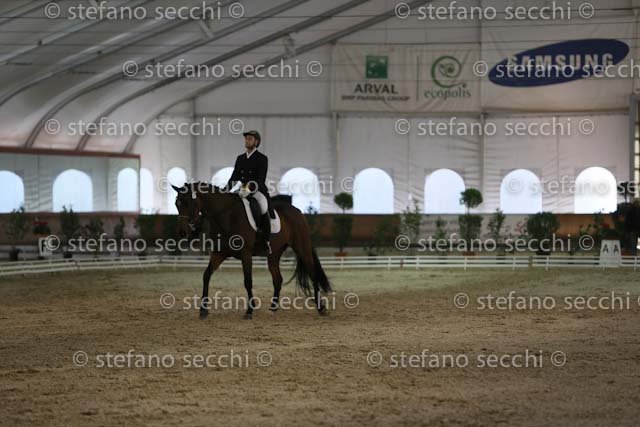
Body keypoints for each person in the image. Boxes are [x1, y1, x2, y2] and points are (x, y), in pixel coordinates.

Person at [224, 130, 274, 253]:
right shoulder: (240, 158)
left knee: (262, 207)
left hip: (258, 190)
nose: (247, 141)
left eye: (250, 139)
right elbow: (234, 177)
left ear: (256, 142)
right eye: (246, 139)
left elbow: (260, 179)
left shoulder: (262, 158)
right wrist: (224, 191)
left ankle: (266, 239)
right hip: (242, 190)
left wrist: (249, 189)